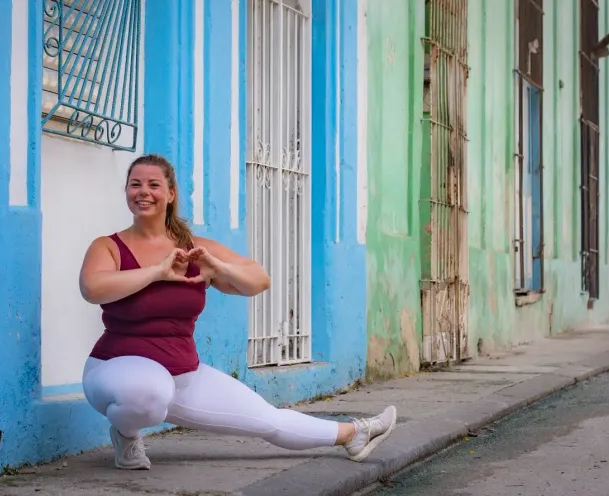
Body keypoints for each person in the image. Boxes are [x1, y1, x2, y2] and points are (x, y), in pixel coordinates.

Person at [79, 154, 397, 470]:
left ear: (171, 194)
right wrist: (156, 272)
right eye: (135, 184)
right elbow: (93, 288)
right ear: (126, 192)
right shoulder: (108, 247)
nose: (143, 191)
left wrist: (217, 266)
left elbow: (259, 280)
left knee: (268, 421)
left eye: (153, 184)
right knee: (149, 391)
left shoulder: (195, 247)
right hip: (113, 370)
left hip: (183, 377)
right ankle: (127, 434)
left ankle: (354, 434)